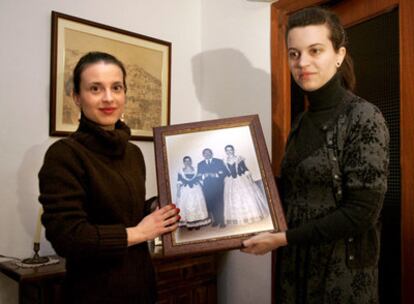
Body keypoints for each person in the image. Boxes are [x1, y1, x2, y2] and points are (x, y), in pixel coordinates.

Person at [242, 7, 389, 303]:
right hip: (296, 268)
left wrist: (283, 239)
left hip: (341, 272)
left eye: (315, 50)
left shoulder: (364, 117)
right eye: (294, 53)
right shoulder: (301, 121)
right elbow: (294, 191)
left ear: (338, 54)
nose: (302, 62)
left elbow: (362, 212)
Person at [38, 52, 180, 304]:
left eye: (116, 87)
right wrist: (139, 232)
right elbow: (67, 237)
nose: (108, 98)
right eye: (95, 88)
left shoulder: (133, 152)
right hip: (93, 292)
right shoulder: (64, 154)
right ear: (77, 97)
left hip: (141, 287)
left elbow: (125, 211)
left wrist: (154, 208)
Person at [222, 145, 269, 225]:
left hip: (241, 178)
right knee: (234, 198)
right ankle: (240, 218)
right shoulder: (224, 161)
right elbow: (225, 171)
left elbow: (244, 168)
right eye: (227, 150)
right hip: (230, 180)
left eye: (231, 150)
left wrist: (247, 173)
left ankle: (253, 215)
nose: (229, 151)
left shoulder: (239, 158)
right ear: (225, 151)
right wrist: (226, 177)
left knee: (248, 196)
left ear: (233, 150)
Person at [176, 156, 211, 229]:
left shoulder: (195, 170)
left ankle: (197, 223)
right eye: (186, 161)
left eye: (189, 161)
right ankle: (189, 223)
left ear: (191, 161)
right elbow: (179, 181)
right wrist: (178, 191)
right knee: (187, 206)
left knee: (196, 205)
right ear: (184, 162)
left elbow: (199, 178)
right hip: (185, 190)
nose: (187, 162)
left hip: (195, 189)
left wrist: (206, 175)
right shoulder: (181, 171)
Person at [197, 148, 228, 228]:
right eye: (205, 153)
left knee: (219, 204)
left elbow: (225, 172)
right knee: (212, 204)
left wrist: (215, 175)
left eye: (208, 153)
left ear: (211, 153)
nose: (207, 154)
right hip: (207, 187)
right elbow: (198, 176)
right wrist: (204, 175)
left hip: (218, 186)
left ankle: (222, 221)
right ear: (203, 155)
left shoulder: (218, 161)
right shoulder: (200, 164)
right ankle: (216, 220)